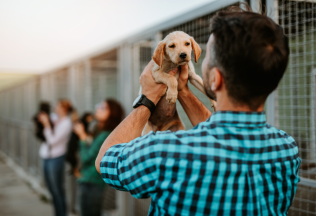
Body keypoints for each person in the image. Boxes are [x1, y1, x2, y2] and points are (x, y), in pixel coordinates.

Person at [95, 5, 301, 216]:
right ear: (273, 84)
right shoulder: (286, 149)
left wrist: (148, 98)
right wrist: (182, 90)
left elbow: (104, 161)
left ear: (215, 79)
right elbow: (223, 136)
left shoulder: (164, 151)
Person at [73, 99, 124, 216]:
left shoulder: (105, 135)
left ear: (112, 114)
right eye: (99, 105)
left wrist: (81, 136)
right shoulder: (99, 130)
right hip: (90, 182)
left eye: (103, 107)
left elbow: (86, 157)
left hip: (92, 183)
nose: (98, 108)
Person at [38, 99, 74, 216]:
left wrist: (46, 124)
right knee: (51, 189)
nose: (55, 108)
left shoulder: (67, 123)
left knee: (57, 190)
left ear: (64, 109)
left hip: (56, 158)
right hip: (46, 156)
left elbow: (52, 141)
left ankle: (62, 213)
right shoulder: (54, 117)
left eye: (57, 106)